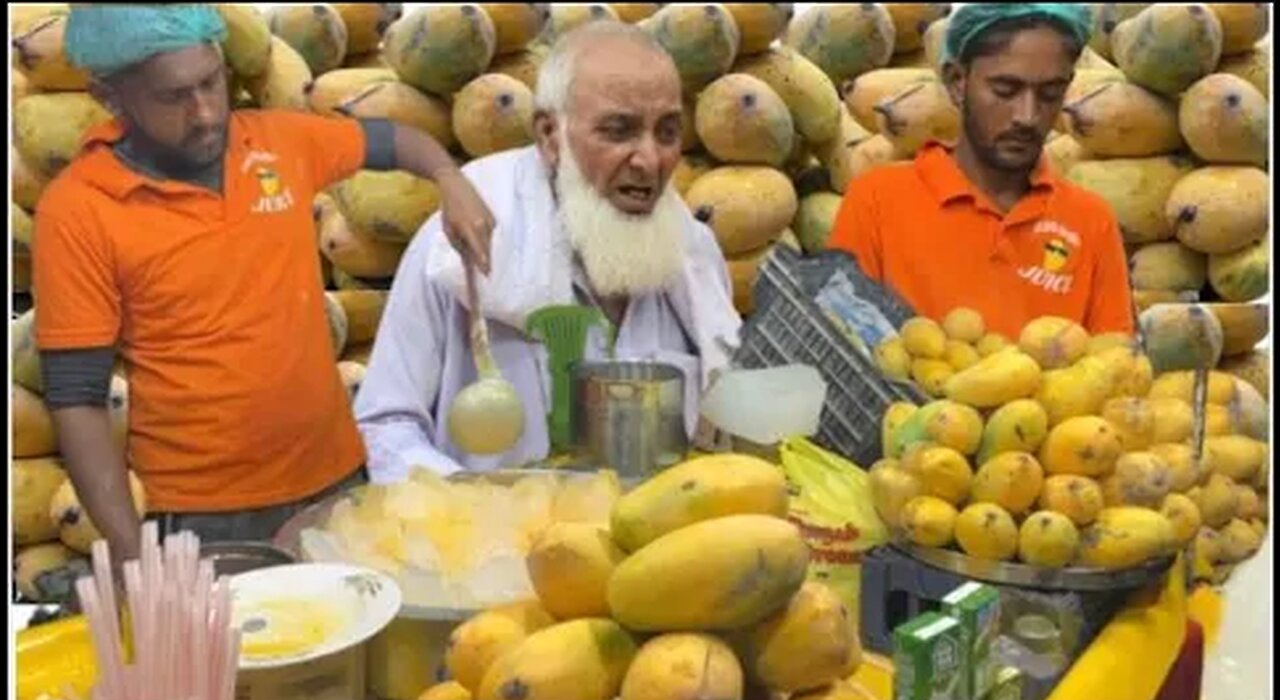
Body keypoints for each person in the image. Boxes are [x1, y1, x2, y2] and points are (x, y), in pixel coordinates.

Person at [31, 5, 496, 559]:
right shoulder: (80, 211)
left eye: (211, 83)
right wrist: (132, 554)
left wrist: (449, 178)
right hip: (205, 517)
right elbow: (77, 400)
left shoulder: (278, 143)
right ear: (110, 98)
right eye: (173, 97)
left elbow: (395, 141)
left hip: (339, 482)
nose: (204, 113)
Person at [354, 21, 743, 481]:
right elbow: (384, 426)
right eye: (619, 131)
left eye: (668, 132)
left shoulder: (692, 253)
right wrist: (475, 504)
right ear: (549, 135)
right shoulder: (458, 240)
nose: (649, 160)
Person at [828, 4, 1135, 338]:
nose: (1027, 116)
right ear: (957, 81)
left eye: (1049, 94)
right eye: (1005, 90)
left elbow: (1113, 361)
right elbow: (841, 343)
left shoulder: (1090, 220)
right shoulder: (878, 199)